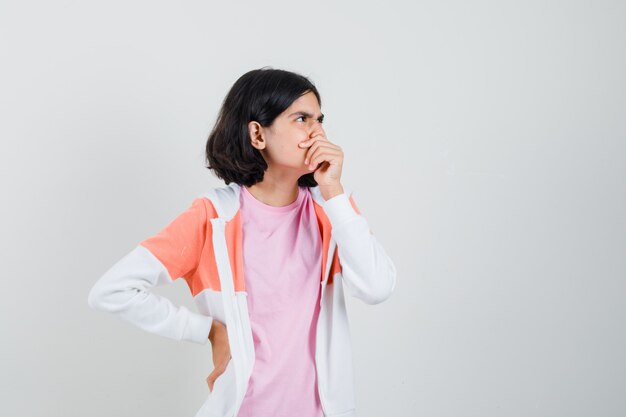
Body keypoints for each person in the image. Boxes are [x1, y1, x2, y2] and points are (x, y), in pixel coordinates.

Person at [87, 67, 397, 417]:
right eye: (302, 119)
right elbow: (111, 291)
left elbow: (377, 287)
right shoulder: (214, 217)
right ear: (257, 134)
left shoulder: (332, 211)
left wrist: (335, 192)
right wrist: (206, 329)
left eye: (320, 119)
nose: (318, 132)